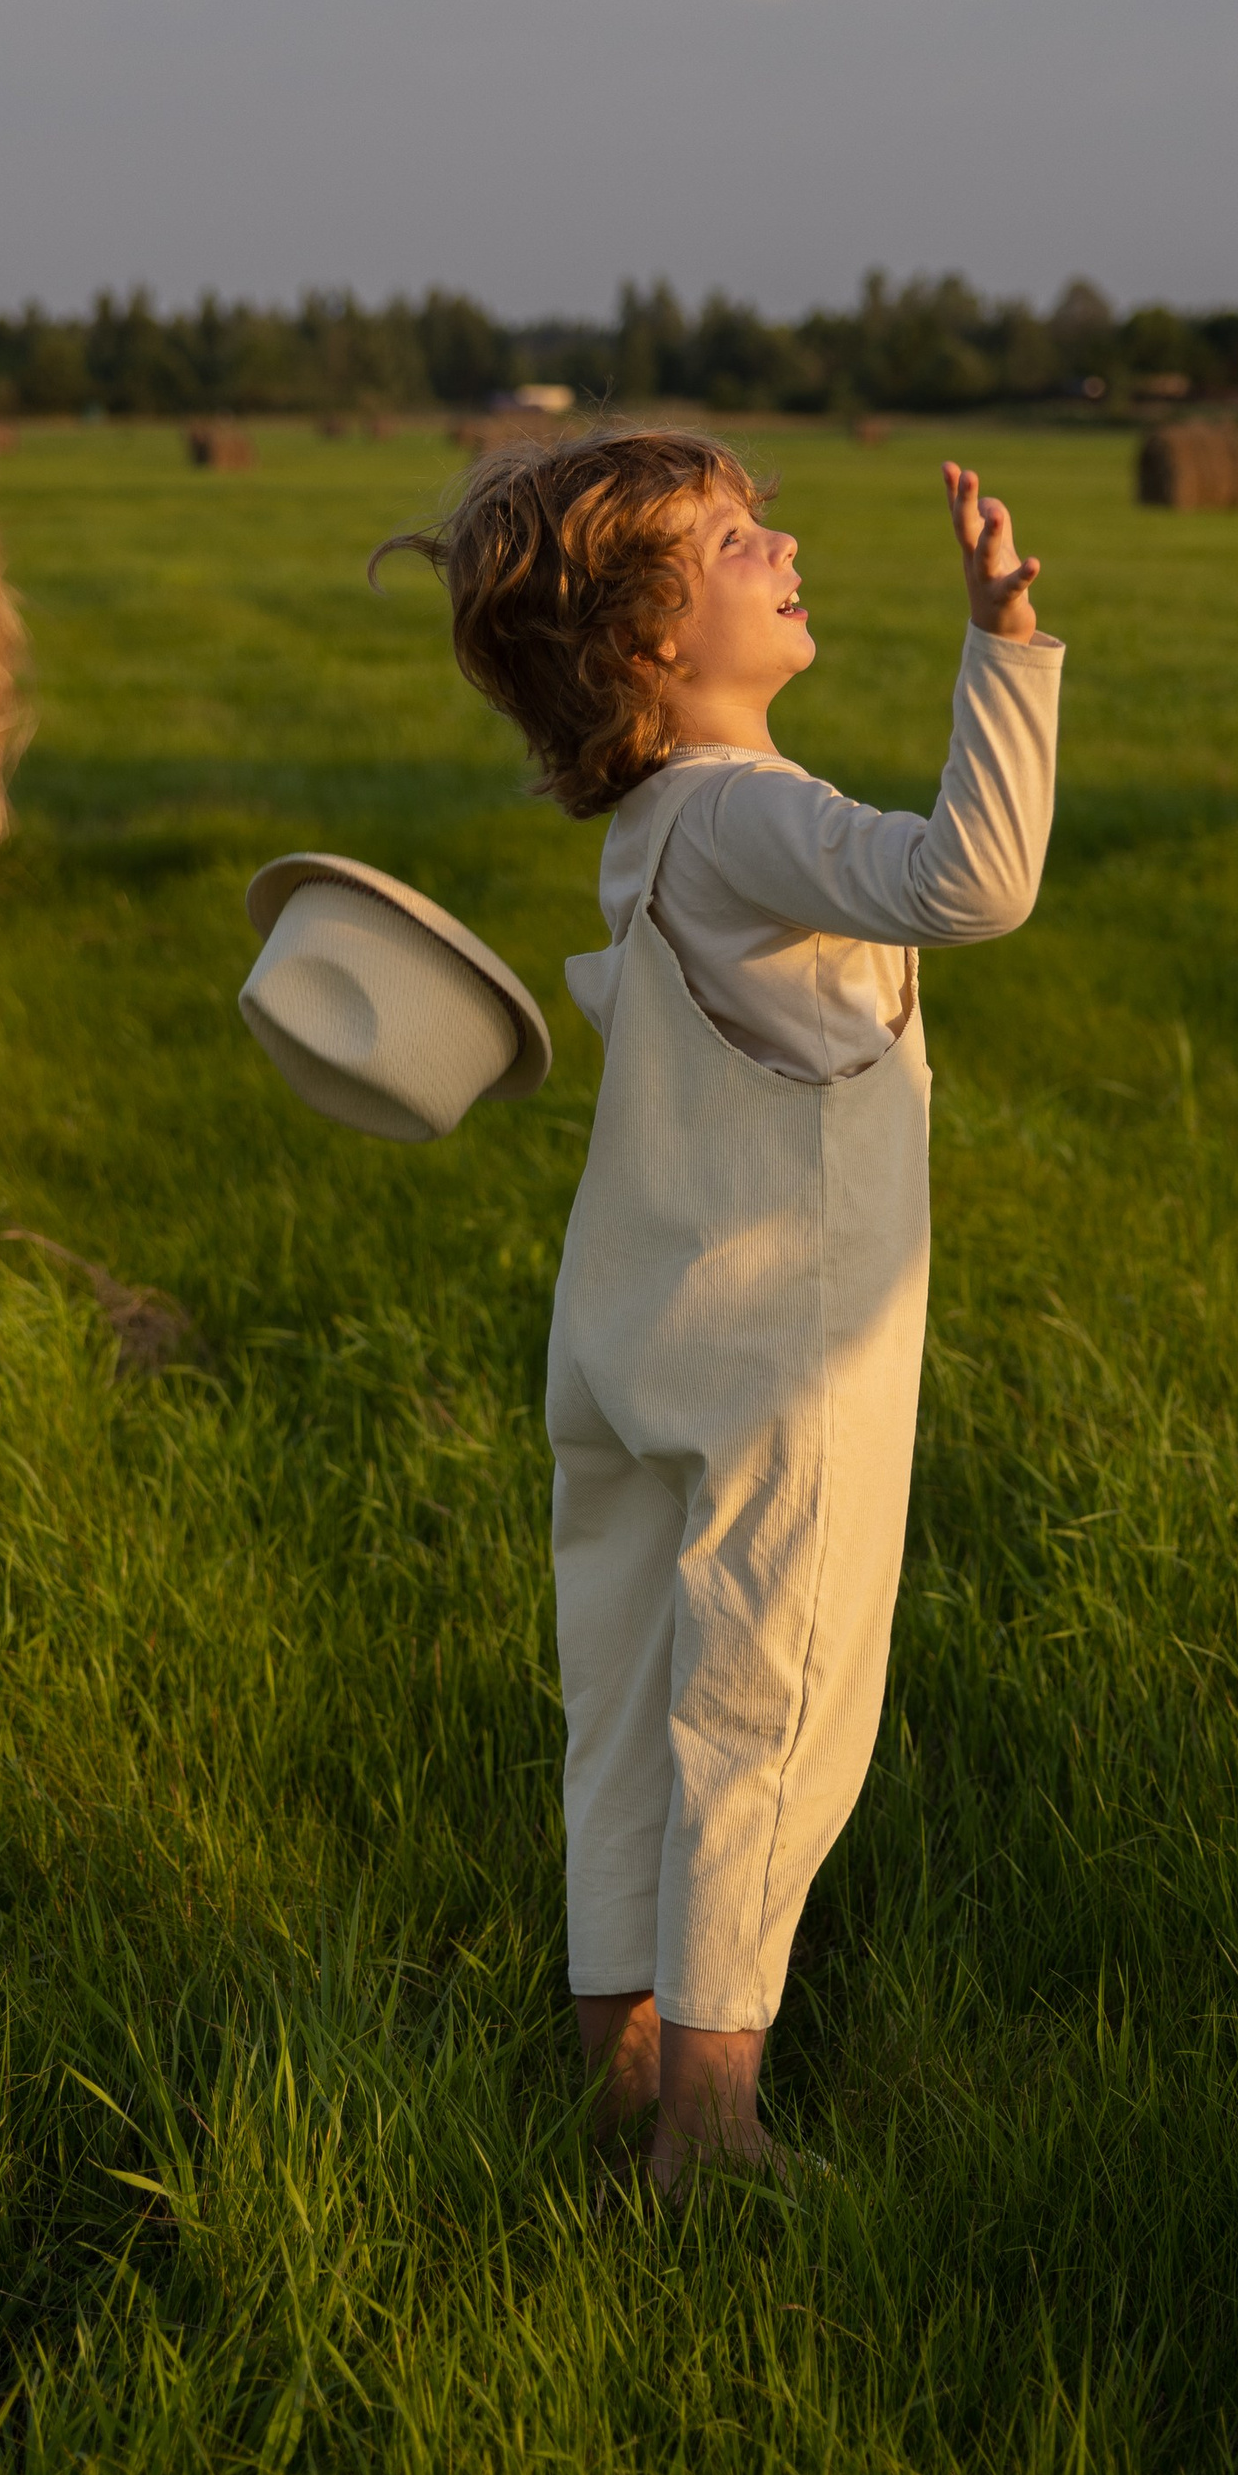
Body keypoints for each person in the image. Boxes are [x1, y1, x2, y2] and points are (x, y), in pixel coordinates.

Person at [390, 428, 1062, 2192]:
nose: (782, 546)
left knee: (619, 1701)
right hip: (781, 1364)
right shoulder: (754, 810)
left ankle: (610, 2064)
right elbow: (973, 881)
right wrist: (1006, 647)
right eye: (734, 538)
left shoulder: (652, 830)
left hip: (620, 1342)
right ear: (644, 650)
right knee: (769, 1708)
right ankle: (713, 2120)